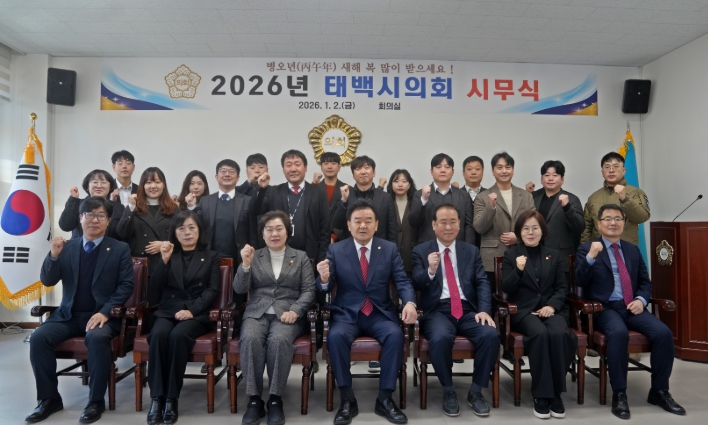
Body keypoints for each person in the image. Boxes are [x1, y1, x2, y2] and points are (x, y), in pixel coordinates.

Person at [28, 196, 134, 424]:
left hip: (101, 317)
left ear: (108, 220)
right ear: (80, 218)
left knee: (96, 338)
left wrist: (105, 311)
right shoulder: (67, 247)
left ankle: (95, 401)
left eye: (101, 215)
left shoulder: (119, 249)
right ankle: (49, 399)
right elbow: (47, 280)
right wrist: (53, 255)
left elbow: (126, 286)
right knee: (38, 337)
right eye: (90, 215)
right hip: (68, 315)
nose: (94, 220)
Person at [575, 204, 685, 420]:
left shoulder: (632, 249)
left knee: (663, 334)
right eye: (608, 218)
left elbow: (645, 281)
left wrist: (641, 300)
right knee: (618, 333)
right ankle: (620, 394)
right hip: (604, 308)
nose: (613, 222)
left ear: (624, 223)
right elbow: (579, 281)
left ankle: (660, 391)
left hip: (631, 306)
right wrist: (591, 257)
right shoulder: (587, 248)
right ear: (599, 223)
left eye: (618, 218)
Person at [316, 200, 417, 425]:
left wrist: (409, 302)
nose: (363, 225)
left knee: (395, 335)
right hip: (347, 314)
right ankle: (347, 398)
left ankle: (385, 398)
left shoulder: (388, 249)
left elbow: (402, 281)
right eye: (357, 221)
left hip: (379, 313)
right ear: (349, 225)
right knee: (336, 336)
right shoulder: (336, 250)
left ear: (376, 224)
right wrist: (323, 279)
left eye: (368, 221)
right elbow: (326, 285)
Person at [411, 204, 498, 418]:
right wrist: (430, 270)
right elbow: (416, 283)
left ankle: (476, 391)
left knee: (490, 335)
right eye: (443, 222)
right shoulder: (421, 251)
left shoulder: (471, 251)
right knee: (440, 338)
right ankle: (448, 390)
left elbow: (482, 283)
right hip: (437, 310)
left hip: (468, 310)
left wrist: (484, 310)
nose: (448, 227)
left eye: (453, 222)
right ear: (434, 225)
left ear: (459, 224)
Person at [235, 212, 315, 425]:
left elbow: (309, 290)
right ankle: (254, 400)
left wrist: (295, 310)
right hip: (257, 312)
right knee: (250, 339)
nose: (274, 233)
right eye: (269, 229)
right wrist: (245, 264)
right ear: (262, 234)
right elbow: (240, 289)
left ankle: (275, 399)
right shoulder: (254, 255)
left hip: (288, 313)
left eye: (279, 229)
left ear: (287, 232)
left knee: (279, 340)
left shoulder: (300, 257)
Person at [145, 211, 220, 425]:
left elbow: (212, 290)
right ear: (174, 233)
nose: (187, 232)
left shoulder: (211, 256)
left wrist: (191, 310)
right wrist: (163, 261)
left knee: (178, 336)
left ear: (199, 231)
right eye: (181, 228)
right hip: (168, 310)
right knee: (158, 335)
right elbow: (153, 292)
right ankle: (156, 399)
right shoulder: (169, 254)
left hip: (197, 313)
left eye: (191, 227)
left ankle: (171, 398)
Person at [501, 210, 577, 419]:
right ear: (519, 232)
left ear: (542, 231)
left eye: (535, 228)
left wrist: (552, 306)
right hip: (524, 311)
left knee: (560, 334)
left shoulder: (554, 255)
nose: (530, 232)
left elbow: (562, 288)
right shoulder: (511, 255)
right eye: (525, 229)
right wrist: (518, 270)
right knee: (540, 334)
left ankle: (556, 393)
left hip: (551, 309)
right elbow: (506, 287)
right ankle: (542, 395)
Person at [251, 149, 330, 265]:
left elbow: (325, 229)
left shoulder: (318, 192)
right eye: (288, 165)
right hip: (278, 257)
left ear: (305, 168)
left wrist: (321, 259)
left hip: (310, 257)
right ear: (283, 169)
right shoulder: (273, 191)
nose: (293, 169)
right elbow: (255, 211)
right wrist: (262, 189)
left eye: (297, 164)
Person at [474, 152, 535, 283]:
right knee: (492, 294)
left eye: (508, 167)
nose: (504, 171)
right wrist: (490, 207)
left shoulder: (526, 196)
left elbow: (535, 226)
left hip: (522, 256)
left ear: (513, 170)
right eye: (499, 167)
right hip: (492, 259)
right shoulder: (482, 197)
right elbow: (479, 228)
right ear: (493, 171)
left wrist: (519, 237)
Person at [186, 159, 254, 264]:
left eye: (231, 171)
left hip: (240, 259)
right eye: (223, 171)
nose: (227, 174)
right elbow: (197, 225)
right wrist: (192, 207)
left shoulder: (247, 201)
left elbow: (253, 233)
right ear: (216, 177)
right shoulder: (205, 201)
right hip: (210, 259)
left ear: (238, 177)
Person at [116, 167, 176, 278]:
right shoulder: (134, 206)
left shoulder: (173, 208)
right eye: (148, 182)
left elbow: (182, 237)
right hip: (139, 266)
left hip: (166, 264)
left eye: (157, 182)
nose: (153, 186)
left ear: (163, 185)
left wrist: (164, 244)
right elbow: (122, 233)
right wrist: (131, 206)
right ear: (142, 186)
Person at [580, 152, 650, 246]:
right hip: (599, 251)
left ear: (624, 171)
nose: (611, 170)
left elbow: (642, 217)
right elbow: (586, 228)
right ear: (602, 172)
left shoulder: (636, 193)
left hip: (626, 250)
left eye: (616, 166)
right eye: (607, 167)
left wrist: (625, 199)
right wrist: (585, 250)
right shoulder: (593, 197)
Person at [409, 153, 476, 245]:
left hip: (458, 247)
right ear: (431, 171)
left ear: (453, 171)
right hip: (428, 247)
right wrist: (423, 199)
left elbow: (469, 226)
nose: (443, 170)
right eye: (438, 167)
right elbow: (413, 222)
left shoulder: (463, 195)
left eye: (447, 167)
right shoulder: (419, 194)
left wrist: (468, 248)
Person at [525, 160, 584, 261]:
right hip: (535, 254)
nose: (550, 178)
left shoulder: (572, 199)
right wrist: (527, 193)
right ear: (541, 179)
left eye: (555, 175)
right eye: (547, 175)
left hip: (561, 256)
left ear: (562, 179)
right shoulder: (534, 198)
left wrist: (567, 207)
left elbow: (579, 227)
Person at [331, 156, 397, 243]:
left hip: (379, 246)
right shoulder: (345, 194)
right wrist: (344, 201)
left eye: (367, 168)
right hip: (351, 246)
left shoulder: (386, 197)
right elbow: (337, 225)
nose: (363, 172)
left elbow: (392, 230)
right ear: (353, 175)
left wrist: (392, 249)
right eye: (358, 169)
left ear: (374, 172)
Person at [58, 169, 123, 240]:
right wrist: (73, 198)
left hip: (110, 246)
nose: (99, 186)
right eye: (95, 182)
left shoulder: (119, 208)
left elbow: (122, 233)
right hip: (80, 246)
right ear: (87, 186)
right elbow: (65, 226)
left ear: (110, 187)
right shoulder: (77, 204)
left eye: (103, 182)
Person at [385, 169, 418, 276]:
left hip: (411, 252)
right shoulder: (385, 202)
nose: (400, 184)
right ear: (391, 184)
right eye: (396, 181)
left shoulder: (416, 203)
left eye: (404, 181)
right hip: (390, 253)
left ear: (409, 185)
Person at [312, 152, 347, 243]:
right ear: (321, 167)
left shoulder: (347, 189)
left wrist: (335, 236)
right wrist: (314, 184)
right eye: (326, 163)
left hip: (340, 240)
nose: (329, 167)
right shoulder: (314, 188)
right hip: (316, 239)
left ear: (339, 168)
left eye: (333, 163)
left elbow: (348, 216)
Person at [460, 156, 486, 247]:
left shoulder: (489, 195)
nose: (473, 172)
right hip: (462, 243)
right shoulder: (456, 194)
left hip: (485, 244)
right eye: (469, 169)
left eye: (477, 169)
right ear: (463, 173)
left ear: (483, 172)